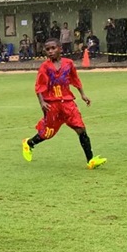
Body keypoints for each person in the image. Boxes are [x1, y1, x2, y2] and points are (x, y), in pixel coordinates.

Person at [21, 39, 107, 170]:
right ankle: (29, 143)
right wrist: (42, 102)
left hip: (67, 103)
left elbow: (75, 79)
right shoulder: (45, 67)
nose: (50, 51)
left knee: (81, 129)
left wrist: (83, 94)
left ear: (60, 48)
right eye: (48, 49)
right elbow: (39, 86)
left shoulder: (68, 64)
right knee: (48, 134)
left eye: (53, 48)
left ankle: (91, 160)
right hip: (52, 105)